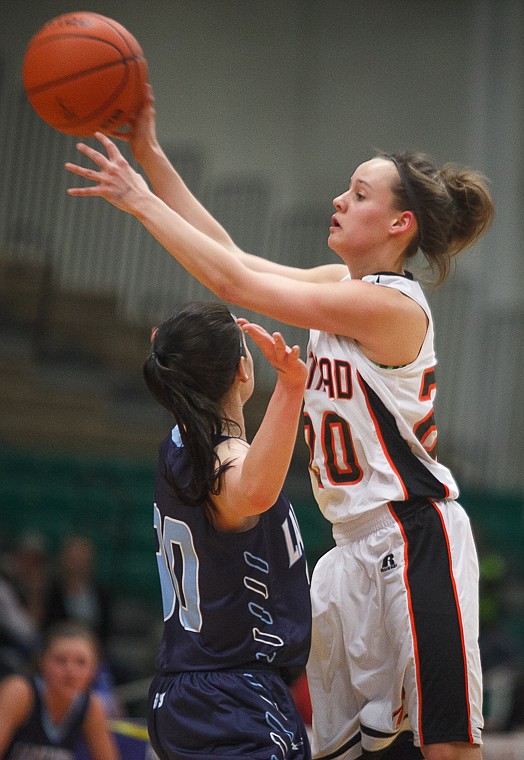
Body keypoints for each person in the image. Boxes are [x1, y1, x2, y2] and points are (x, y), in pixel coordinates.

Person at [64, 86, 495, 760]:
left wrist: (139, 200)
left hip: (413, 537)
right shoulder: (342, 288)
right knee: (342, 750)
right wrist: (149, 154)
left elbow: (236, 284)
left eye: (358, 194)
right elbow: (232, 254)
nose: (339, 201)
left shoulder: (392, 308)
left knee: (444, 747)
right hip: (348, 550)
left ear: (399, 224)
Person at [144, 301, 312, 757]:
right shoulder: (221, 462)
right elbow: (254, 491)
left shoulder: (179, 445)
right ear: (242, 369)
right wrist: (292, 387)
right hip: (231, 694)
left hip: (188, 690)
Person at [0, 620, 119, 760]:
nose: (71, 672)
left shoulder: (91, 706)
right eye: (60, 660)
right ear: (42, 661)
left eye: (81, 662)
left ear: (94, 669)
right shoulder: (19, 692)